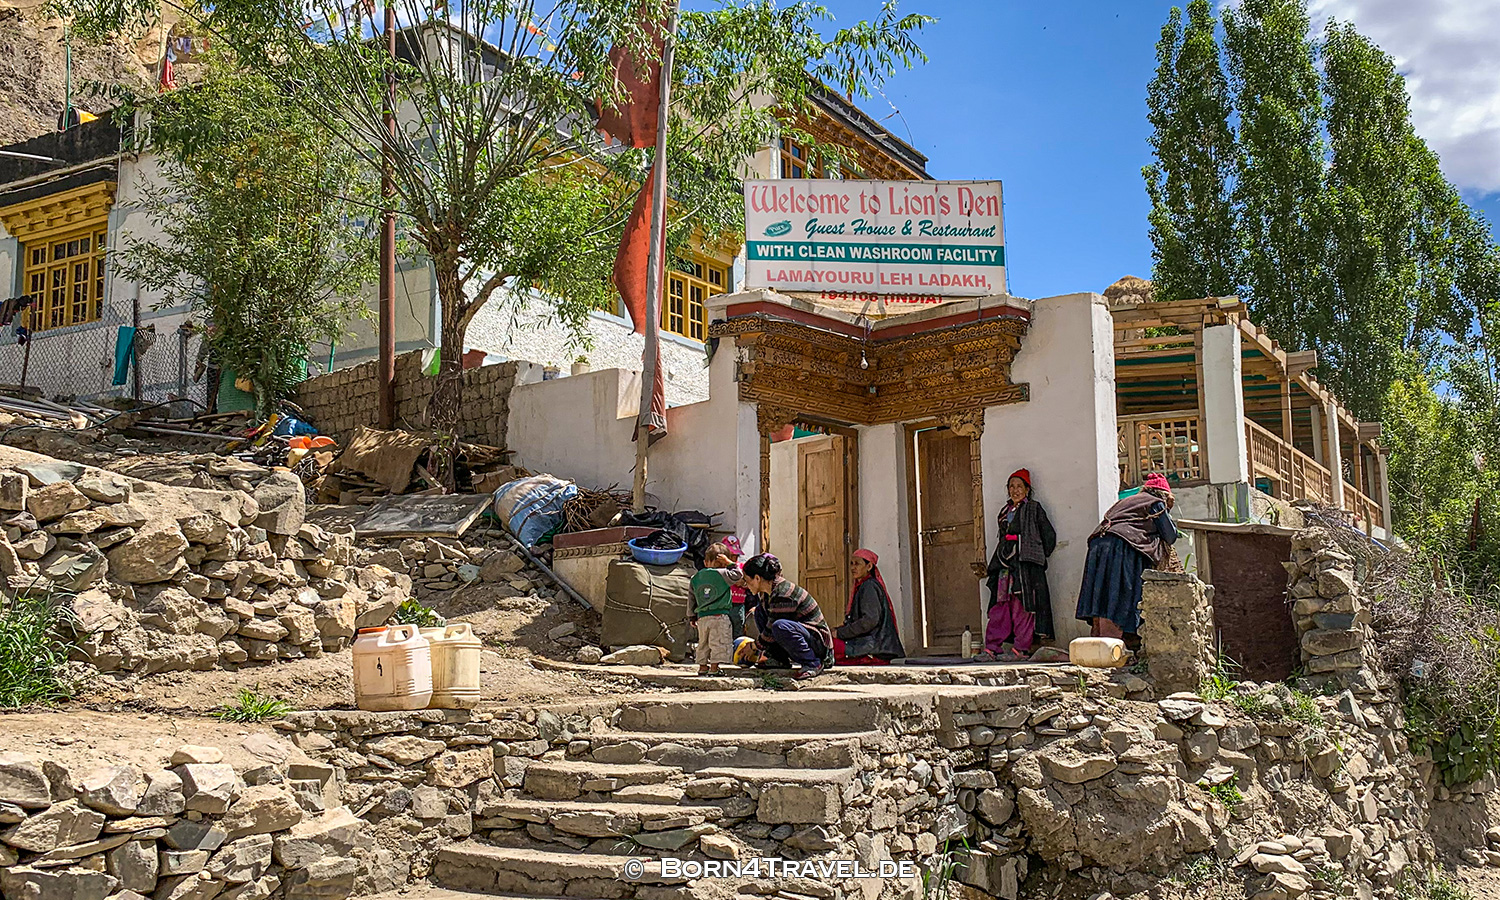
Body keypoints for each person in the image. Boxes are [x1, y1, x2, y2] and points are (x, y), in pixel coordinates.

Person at [1075, 472, 1180, 650]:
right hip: (1121, 546)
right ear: (1163, 495)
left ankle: (1099, 642)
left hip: (1099, 544)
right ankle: (1112, 648)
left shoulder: (1127, 502)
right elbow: (1170, 535)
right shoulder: (1155, 502)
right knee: (1119, 595)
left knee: (1102, 595)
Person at [980, 468, 1057, 661]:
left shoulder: (1034, 508)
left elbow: (1049, 536)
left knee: (1022, 606)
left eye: (1019, 486)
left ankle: (1021, 648)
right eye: (1011, 486)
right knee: (1001, 604)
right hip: (1005, 565)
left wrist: (1036, 555)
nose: (1015, 490)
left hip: (1025, 566)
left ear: (1027, 489)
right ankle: (992, 647)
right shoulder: (1005, 512)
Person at [742, 553, 834, 680]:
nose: (746, 586)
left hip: (817, 642)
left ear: (757, 578)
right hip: (801, 633)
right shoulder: (767, 594)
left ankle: (812, 663)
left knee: (780, 626)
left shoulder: (784, 593)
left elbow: (770, 632)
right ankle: (779, 659)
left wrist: (753, 647)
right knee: (759, 612)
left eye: (747, 581)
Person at [834, 549, 905, 665]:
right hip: (871, 643)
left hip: (875, 646)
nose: (853, 567)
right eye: (851, 563)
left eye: (857, 563)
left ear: (869, 566)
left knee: (827, 646)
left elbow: (869, 621)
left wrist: (840, 633)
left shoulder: (869, 587)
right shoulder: (863, 586)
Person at [689, 552, 743, 676]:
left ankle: (702, 667)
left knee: (703, 642)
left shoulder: (696, 577)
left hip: (702, 617)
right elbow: (738, 574)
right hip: (720, 615)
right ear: (723, 563)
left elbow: (691, 598)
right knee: (718, 642)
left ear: (705, 562)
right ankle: (714, 668)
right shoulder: (723, 574)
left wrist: (692, 615)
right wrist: (729, 563)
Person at [717, 537, 749, 639]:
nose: (733, 559)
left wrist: (742, 583)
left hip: (738, 605)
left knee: (737, 632)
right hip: (723, 606)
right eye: (730, 556)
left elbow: (745, 582)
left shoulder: (742, 567)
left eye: (736, 556)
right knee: (722, 633)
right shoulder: (720, 569)